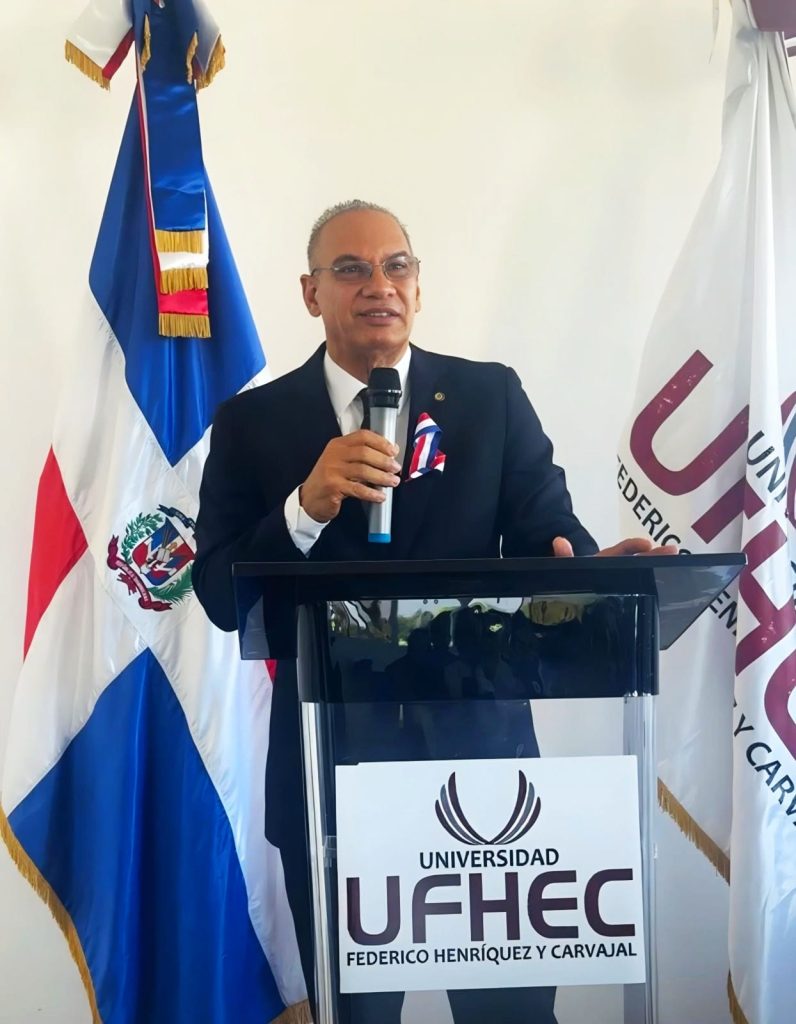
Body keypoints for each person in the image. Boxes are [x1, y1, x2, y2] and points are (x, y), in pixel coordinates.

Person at [193, 199, 673, 1023]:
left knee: (511, 1017)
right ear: (311, 293)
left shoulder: (489, 398)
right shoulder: (253, 423)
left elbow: (548, 535)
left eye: (397, 266)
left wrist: (594, 577)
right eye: (351, 269)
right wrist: (304, 507)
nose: (378, 285)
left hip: (487, 782)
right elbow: (217, 593)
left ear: (418, 287)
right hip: (331, 779)